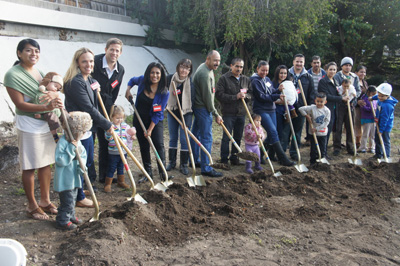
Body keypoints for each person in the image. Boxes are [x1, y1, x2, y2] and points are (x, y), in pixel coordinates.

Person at [4, 38, 62, 220]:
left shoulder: (39, 72)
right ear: (19, 53)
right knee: (29, 166)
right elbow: (20, 104)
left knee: (45, 162)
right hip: (28, 124)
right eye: (29, 50)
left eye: (36, 51)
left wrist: (54, 99)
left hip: (43, 122)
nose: (33, 54)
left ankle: (45, 200)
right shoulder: (12, 75)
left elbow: (46, 92)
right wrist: (47, 107)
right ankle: (31, 205)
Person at [63, 47, 113, 207]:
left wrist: (96, 88)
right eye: (84, 61)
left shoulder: (90, 81)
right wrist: (107, 124)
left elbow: (96, 104)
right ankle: (78, 198)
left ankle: (79, 190)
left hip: (87, 129)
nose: (89, 64)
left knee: (87, 161)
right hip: (77, 129)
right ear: (77, 62)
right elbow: (88, 108)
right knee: (80, 163)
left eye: (91, 61)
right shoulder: (75, 82)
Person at [125, 62, 169, 182]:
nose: (154, 75)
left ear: (161, 75)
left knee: (159, 145)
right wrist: (128, 90)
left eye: (157, 73)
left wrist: (150, 129)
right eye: (152, 72)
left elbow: (158, 113)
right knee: (144, 146)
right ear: (148, 73)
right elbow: (131, 80)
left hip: (155, 121)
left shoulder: (164, 92)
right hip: (139, 118)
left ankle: (163, 173)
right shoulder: (143, 81)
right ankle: (147, 173)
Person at [92, 38, 125, 184]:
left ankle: (104, 175)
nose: (114, 53)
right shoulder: (95, 62)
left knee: (106, 140)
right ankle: (89, 176)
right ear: (106, 49)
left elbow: (115, 91)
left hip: (106, 109)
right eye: (112, 49)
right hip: (91, 106)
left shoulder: (120, 69)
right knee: (89, 141)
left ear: (120, 53)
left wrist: (110, 110)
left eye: (117, 50)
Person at [251, 60, 294, 166]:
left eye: (266, 70)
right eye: (262, 70)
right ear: (258, 69)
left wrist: (277, 90)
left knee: (272, 134)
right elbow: (262, 97)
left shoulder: (267, 80)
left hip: (271, 109)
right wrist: (277, 96)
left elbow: (271, 92)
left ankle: (259, 154)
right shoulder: (254, 81)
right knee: (273, 131)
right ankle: (282, 158)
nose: (264, 72)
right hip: (261, 109)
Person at [54, 111, 91, 230]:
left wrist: (83, 168)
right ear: (76, 132)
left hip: (74, 178)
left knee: (73, 198)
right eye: (83, 132)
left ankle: (70, 215)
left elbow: (83, 156)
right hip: (65, 180)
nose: (84, 134)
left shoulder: (78, 142)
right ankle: (62, 220)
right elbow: (61, 161)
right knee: (67, 201)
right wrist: (71, 149)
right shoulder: (63, 143)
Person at [190, 50, 224, 177]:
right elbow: (208, 98)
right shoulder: (204, 74)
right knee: (207, 137)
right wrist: (216, 114)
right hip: (203, 108)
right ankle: (206, 167)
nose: (217, 63)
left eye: (219, 61)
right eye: (215, 60)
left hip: (200, 107)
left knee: (196, 134)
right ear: (208, 59)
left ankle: (194, 160)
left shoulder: (206, 68)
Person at [215, 57, 252, 165]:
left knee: (238, 136)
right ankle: (224, 160)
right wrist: (235, 97)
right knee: (226, 137)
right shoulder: (223, 79)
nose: (239, 69)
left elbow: (251, 94)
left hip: (241, 113)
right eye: (236, 66)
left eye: (241, 67)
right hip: (228, 113)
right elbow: (219, 95)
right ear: (231, 66)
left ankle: (235, 158)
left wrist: (246, 96)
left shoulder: (246, 79)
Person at [165, 59, 195, 175]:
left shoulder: (190, 84)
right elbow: (162, 92)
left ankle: (183, 164)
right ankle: (171, 162)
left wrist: (186, 121)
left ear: (189, 71)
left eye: (187, 68)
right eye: (182, 67)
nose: (184, 70)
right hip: (172, 112)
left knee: (184, 139)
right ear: (178, 67)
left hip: (185, 114)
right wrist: (164, 105)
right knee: (173, 137)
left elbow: (192, 103)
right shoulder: (170, 79)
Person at [285, 54, 315, 160]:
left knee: (297, 131)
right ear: (293, 62)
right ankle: (283, 151)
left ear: (304, 63)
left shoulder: (308, 77)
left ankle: (294, 152)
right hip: (287, 107)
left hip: (302, 107)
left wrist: (310, 108)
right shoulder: (286, 74)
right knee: (286, 130)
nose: (299, 64)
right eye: (297, 61)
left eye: (301, 62)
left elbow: (312, 94)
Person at [104, 105, 136, 192]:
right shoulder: (110, 127)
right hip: (113, 151)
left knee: (121, 167)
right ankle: (108, 184)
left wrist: (132, 136)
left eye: (121, 118)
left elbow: (129, 136)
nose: (120, 120)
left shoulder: (125, 126)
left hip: (123, 151)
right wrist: (109, 133)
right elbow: (107, 138)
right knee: (112, 167)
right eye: (117, 118)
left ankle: (120, 181)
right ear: (112, 117)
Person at [317, 62, 343, 155]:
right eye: (330, 69)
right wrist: (341, 98)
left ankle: (324, 151)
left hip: (334, 109)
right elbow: (325, 96)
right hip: (326, 109)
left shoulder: (335, 81)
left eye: (334, 70)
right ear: (326, 70)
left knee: (329, 130)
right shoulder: (323, 81)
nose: (332, 71)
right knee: (324, 132)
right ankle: (322, 152)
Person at [298, 92, 331, 164]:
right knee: (313, 149)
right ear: (315, 101)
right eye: (317, 101)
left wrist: (317, 129)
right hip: (313, 133)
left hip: (322, 133)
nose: (319, 103)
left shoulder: (327, 111)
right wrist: (306, 116)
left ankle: (321, 161)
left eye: (321, 102)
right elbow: (301, 109)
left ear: (325, 102)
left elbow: (327, 122)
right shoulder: (312, 108)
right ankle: (312, 162)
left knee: (323, 149)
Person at [33, 72, 63, 142]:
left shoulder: (53, 94)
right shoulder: (41, 93)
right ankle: (57, 137)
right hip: (48, 112)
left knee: (65, 115)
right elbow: (37, 103)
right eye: (55, 86)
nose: (56, 89)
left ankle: (69, 129)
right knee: (54, 121)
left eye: (58, 89)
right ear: (48, 82)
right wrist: (37, 113)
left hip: (57, 111)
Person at [370, 83, 398, 159]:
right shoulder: (380, 98)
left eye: (382, 96)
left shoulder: (387, 106)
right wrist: (373, 98)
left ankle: (386, 156)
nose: (380, 97)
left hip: (385, 126)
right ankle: (378, 154)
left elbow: (384, 119)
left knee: (385, 141)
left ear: (387, 95)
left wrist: (381, 130)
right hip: (379, 123)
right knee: (377, 139)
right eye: (379, 95)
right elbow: (378, 97)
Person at [333, 79, 357, 155]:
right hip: (340, 108)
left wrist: (351, 102)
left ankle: (350, 147)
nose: (346, 88)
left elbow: (354, 96)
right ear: (342, 84)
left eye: (347, 86)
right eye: (344, 86)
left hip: (350, 108)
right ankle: (337, 147)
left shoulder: (352, 88)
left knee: (350, 127)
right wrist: (343, 95)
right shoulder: (339, 89)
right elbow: (338, 97)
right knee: (338, 128)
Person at [359, 86, 377, 153]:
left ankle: (372, 147)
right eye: (373, 93)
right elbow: (363, 108)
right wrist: (371, 109)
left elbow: (376, 106)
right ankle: (363, 147)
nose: (373, 95)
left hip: (373, 118)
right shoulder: (364, 98)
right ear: (369, 92)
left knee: (372, 134)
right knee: (365, 134)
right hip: (366, 118)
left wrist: (375, 110)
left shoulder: (374, 99)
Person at [355, 65, 368, 149]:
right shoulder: (353, 81)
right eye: (361, 72)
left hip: (364, 107)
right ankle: (356, 142)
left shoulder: (365, 82)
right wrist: (357, 101)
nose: (362, 74)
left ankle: (362, 142)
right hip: (356, 106)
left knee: (363, 125)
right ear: (356, 73)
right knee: (357, 124)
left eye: (364, 72)